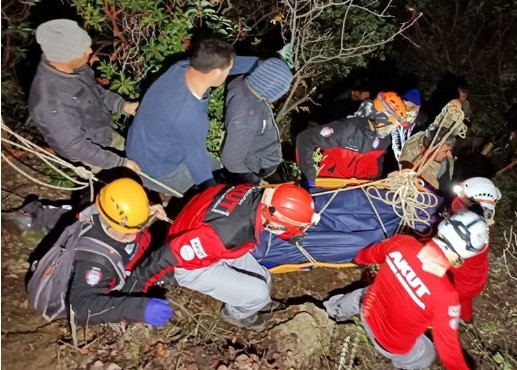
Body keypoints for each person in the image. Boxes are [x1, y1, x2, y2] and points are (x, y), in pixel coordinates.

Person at [124, 183, 319, 331]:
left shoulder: (254, 191)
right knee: (258, 293)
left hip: (206, 232)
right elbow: (165, 256)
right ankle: (235, 314)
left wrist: (289, 234)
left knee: (264, 278)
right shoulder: (222, 235)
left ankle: (255, 303)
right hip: (193, 263)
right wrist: (132, 293)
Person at [324, 210, 489, 370]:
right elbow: (449, 350)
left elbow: (370, 254)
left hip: (366, 311)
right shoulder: (447, 297)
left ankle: (330, 311)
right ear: (463, 255)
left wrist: (359, 259)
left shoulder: (402, 243)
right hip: (389, 345)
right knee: (427, 353)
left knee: (364, 292)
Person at [126, 35, 260, 194]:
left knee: (217, 167)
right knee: (213, 185)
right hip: (155, 168)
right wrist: (212, 195)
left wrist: (260, 64)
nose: (230, 70)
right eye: (229, 69)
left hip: (142, 142)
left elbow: (224, 64)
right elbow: (197, 163)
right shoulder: (189, 115)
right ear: (216, 73)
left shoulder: (181, 67)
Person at [28, 178, 173, 325]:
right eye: (127, 230)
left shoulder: (102, 209)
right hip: (82, 293)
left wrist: (144, 215)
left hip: (118, 261)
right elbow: (81, 308)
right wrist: (138, 310)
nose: (132, 235)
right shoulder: (94, 262)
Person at [29, 19, 140, 173]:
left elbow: (95, 91)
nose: (89, 51)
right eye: (83, 49)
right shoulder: (51, 102)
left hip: (104, 133)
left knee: (138, 161)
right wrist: (119, 162)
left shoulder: (74, 66)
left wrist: (123, 106)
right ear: (65, 56)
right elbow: (74, 146)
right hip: (90, 155)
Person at [296, 92, 408, 185]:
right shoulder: (346, 129)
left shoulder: (383, 140)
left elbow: (376, 163)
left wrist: (374, 183)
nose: (391, 130)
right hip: (329, 186)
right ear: (380, 118)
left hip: (358, 192)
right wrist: (310, 179)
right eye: (391, 125)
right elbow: (305, 139)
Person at [220, 58, 293, 184]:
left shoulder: (242, 82)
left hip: (265, 158)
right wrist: (256, 182)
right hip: (260, 168)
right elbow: (231, 161)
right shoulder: (247, 118)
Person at [447, 177, 501, 324]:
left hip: (460, 284)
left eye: (463, 200)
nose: (458, 203)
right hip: (474, 280)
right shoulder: (478, 226)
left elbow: (446, 257)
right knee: (464, 298)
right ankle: (467, 320)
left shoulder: (468, 234)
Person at [399, 126, 457, 194]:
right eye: (445, 151)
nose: (448, 154)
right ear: (431, 149)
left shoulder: (441, 156)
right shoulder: (414, 170)